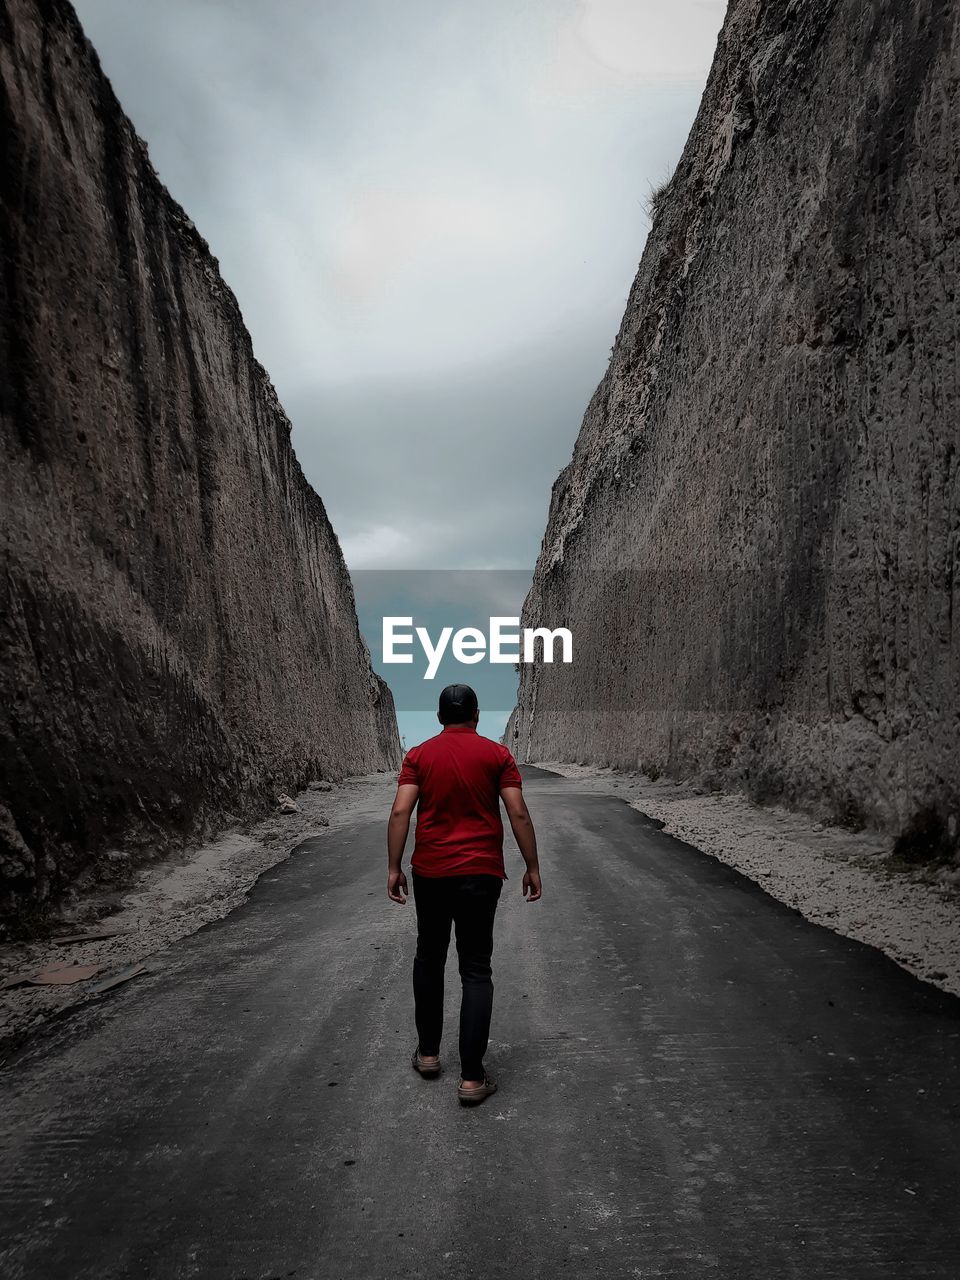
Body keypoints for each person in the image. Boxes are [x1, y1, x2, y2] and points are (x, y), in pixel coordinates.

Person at [386, 683, 542, 1106]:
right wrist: (532, 866)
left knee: (429, 956)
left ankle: (430, 1054)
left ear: (440, 717)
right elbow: (517, 811)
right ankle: (472, 1078)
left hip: (432, 873)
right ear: (475, 716)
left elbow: (401, 810)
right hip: (481, 874)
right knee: (475, 968)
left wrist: (394, 866)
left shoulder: (419, 755)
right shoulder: (497, 756)